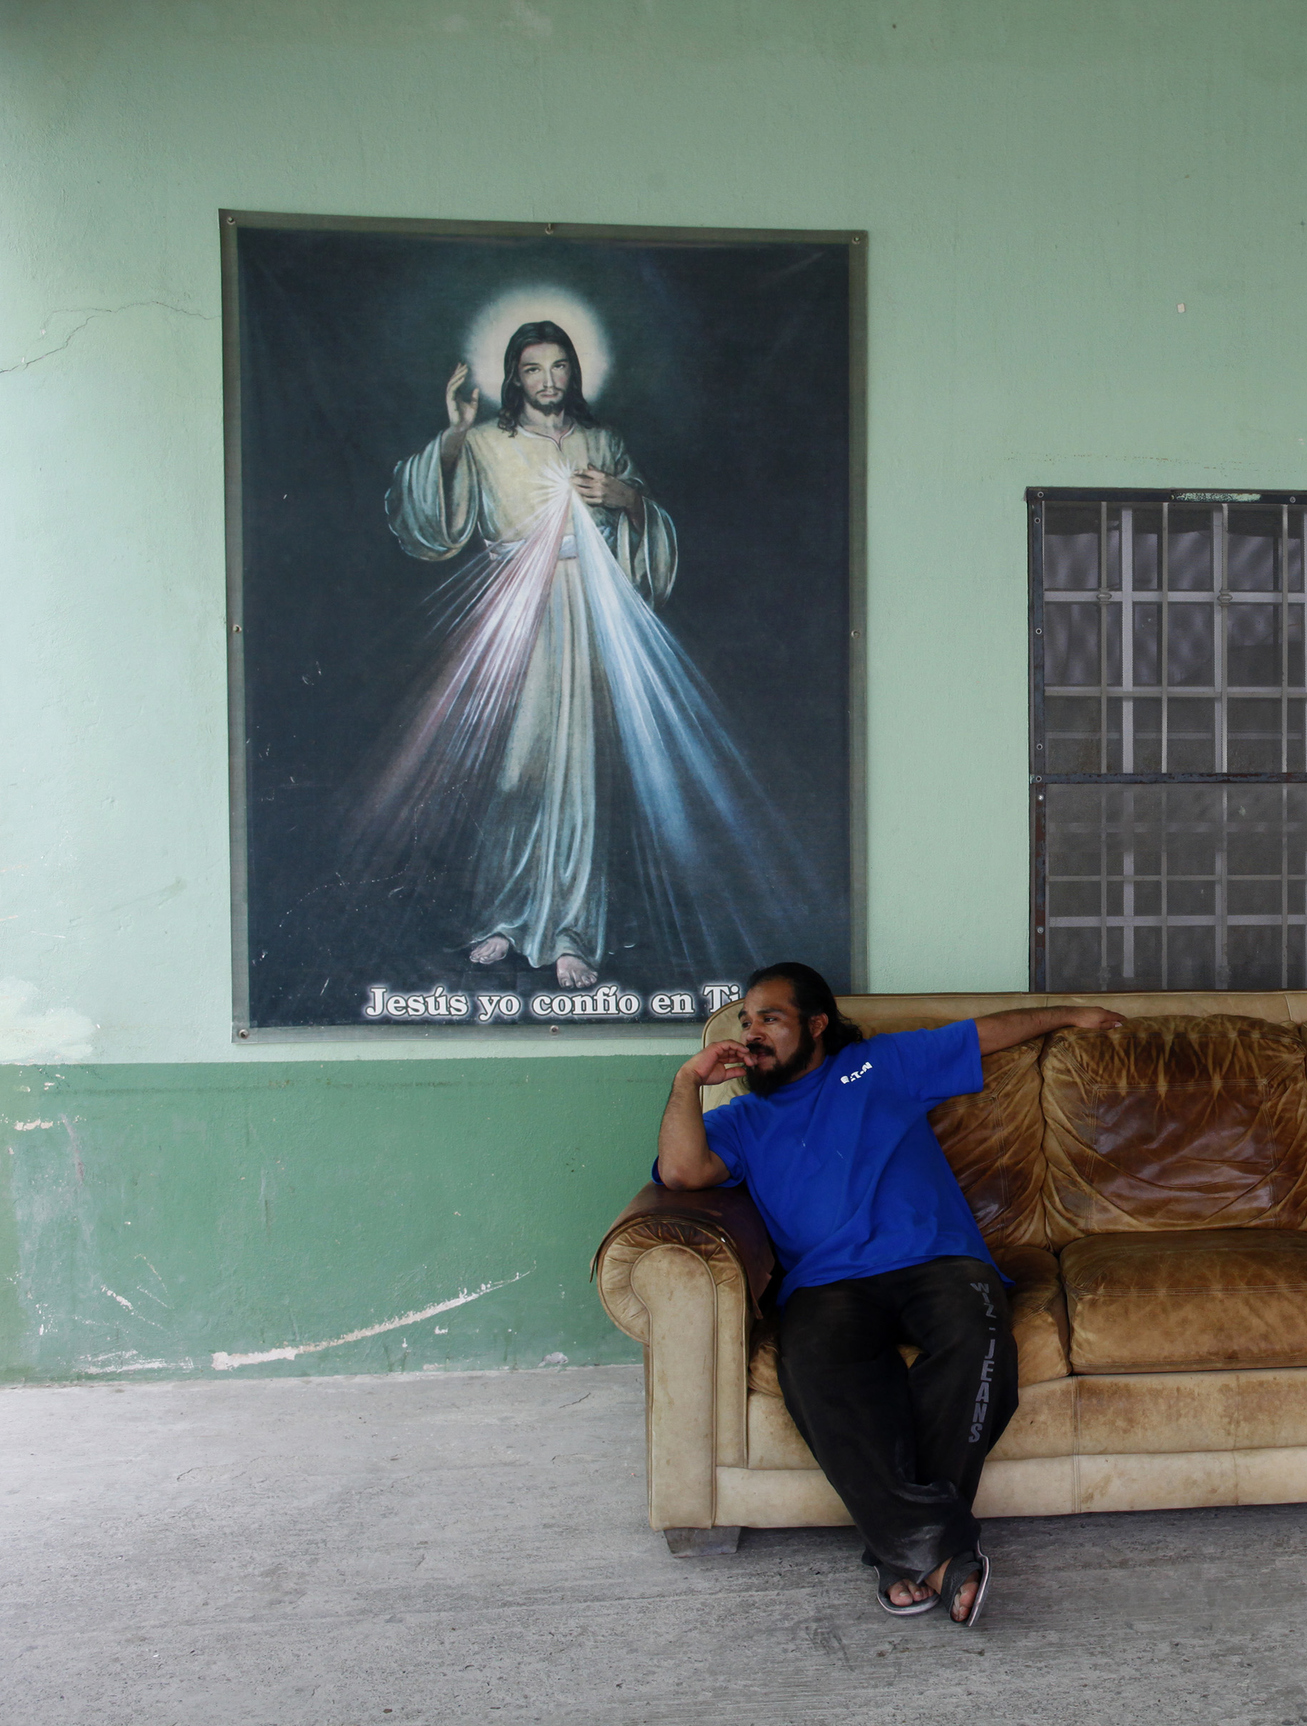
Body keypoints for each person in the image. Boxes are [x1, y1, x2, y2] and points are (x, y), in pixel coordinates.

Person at [655, 962, 1125, 1625]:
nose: (752, 1032)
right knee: (814, 1374)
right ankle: (938, 1550)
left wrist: (1067, 1013)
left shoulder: (879, 1066)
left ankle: (904, 1552)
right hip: (828, 1283)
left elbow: (982, 1035)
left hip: (938, 1260)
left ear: (816, 1026)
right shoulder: (741, 1121)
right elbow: (680, 1171)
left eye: (771, 1018)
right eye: (746, 1020)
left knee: (979, 1341)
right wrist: (686, 1081)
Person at [384, 320, 679, 987]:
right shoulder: (486, 441)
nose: (548, 382)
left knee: (581, 776)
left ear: (574, 372)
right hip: (515, 612)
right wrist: (456, 432)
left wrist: (628, 498)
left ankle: (573, 930)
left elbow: (649, 535)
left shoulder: (602, 442)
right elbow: (432, 523)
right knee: (515, 773)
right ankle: (503, 918)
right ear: (514, 377)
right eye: (533, 369)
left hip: (587, 615)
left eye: (559, 367)